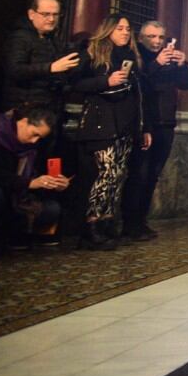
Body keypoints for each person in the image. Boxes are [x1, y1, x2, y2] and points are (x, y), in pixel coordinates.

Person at [72, 15, 150, 251]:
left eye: (128, 29)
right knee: (104, 174)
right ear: (108, 30)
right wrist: (106, 81)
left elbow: (139, 96)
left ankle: (107, 221)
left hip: (125, 124)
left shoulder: (132, 58)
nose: (125, 33)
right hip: (101, 122)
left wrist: (143, 127)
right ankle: (91, 225)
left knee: (116, 175)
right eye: (120, 28)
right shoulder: (93, 53)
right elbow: (75, 84)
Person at [0, 105, 68, 262]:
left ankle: (12, 238)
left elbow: (35, 179)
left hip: (16, 197)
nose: (34, 140)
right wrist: (27, 183)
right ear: (24, 121)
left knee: (52, 209)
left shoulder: (32, 148)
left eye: (39, 138)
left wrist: (54, 183)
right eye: (34, 134)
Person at [122, 21, 188, 241]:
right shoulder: (136, 57)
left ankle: (141, 221)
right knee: (139, 175)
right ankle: (129, 224)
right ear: (141, 37)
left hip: (166, 123)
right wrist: (156, 64)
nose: (157, 42)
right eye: (152, 37)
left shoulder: (168, 57)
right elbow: (139, 84)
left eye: (161, 37)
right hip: (145, 124)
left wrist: (182, 65)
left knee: (152, 176)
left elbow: (186, 84)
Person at [2, 0, 80, 126]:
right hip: (25, 109)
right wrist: (50, 68)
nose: (51, 19)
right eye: (46, 14)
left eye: (55, 15)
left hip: (49, 106)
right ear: (31, 14)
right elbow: (14, 70)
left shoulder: (52, 38)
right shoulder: (20, 37)